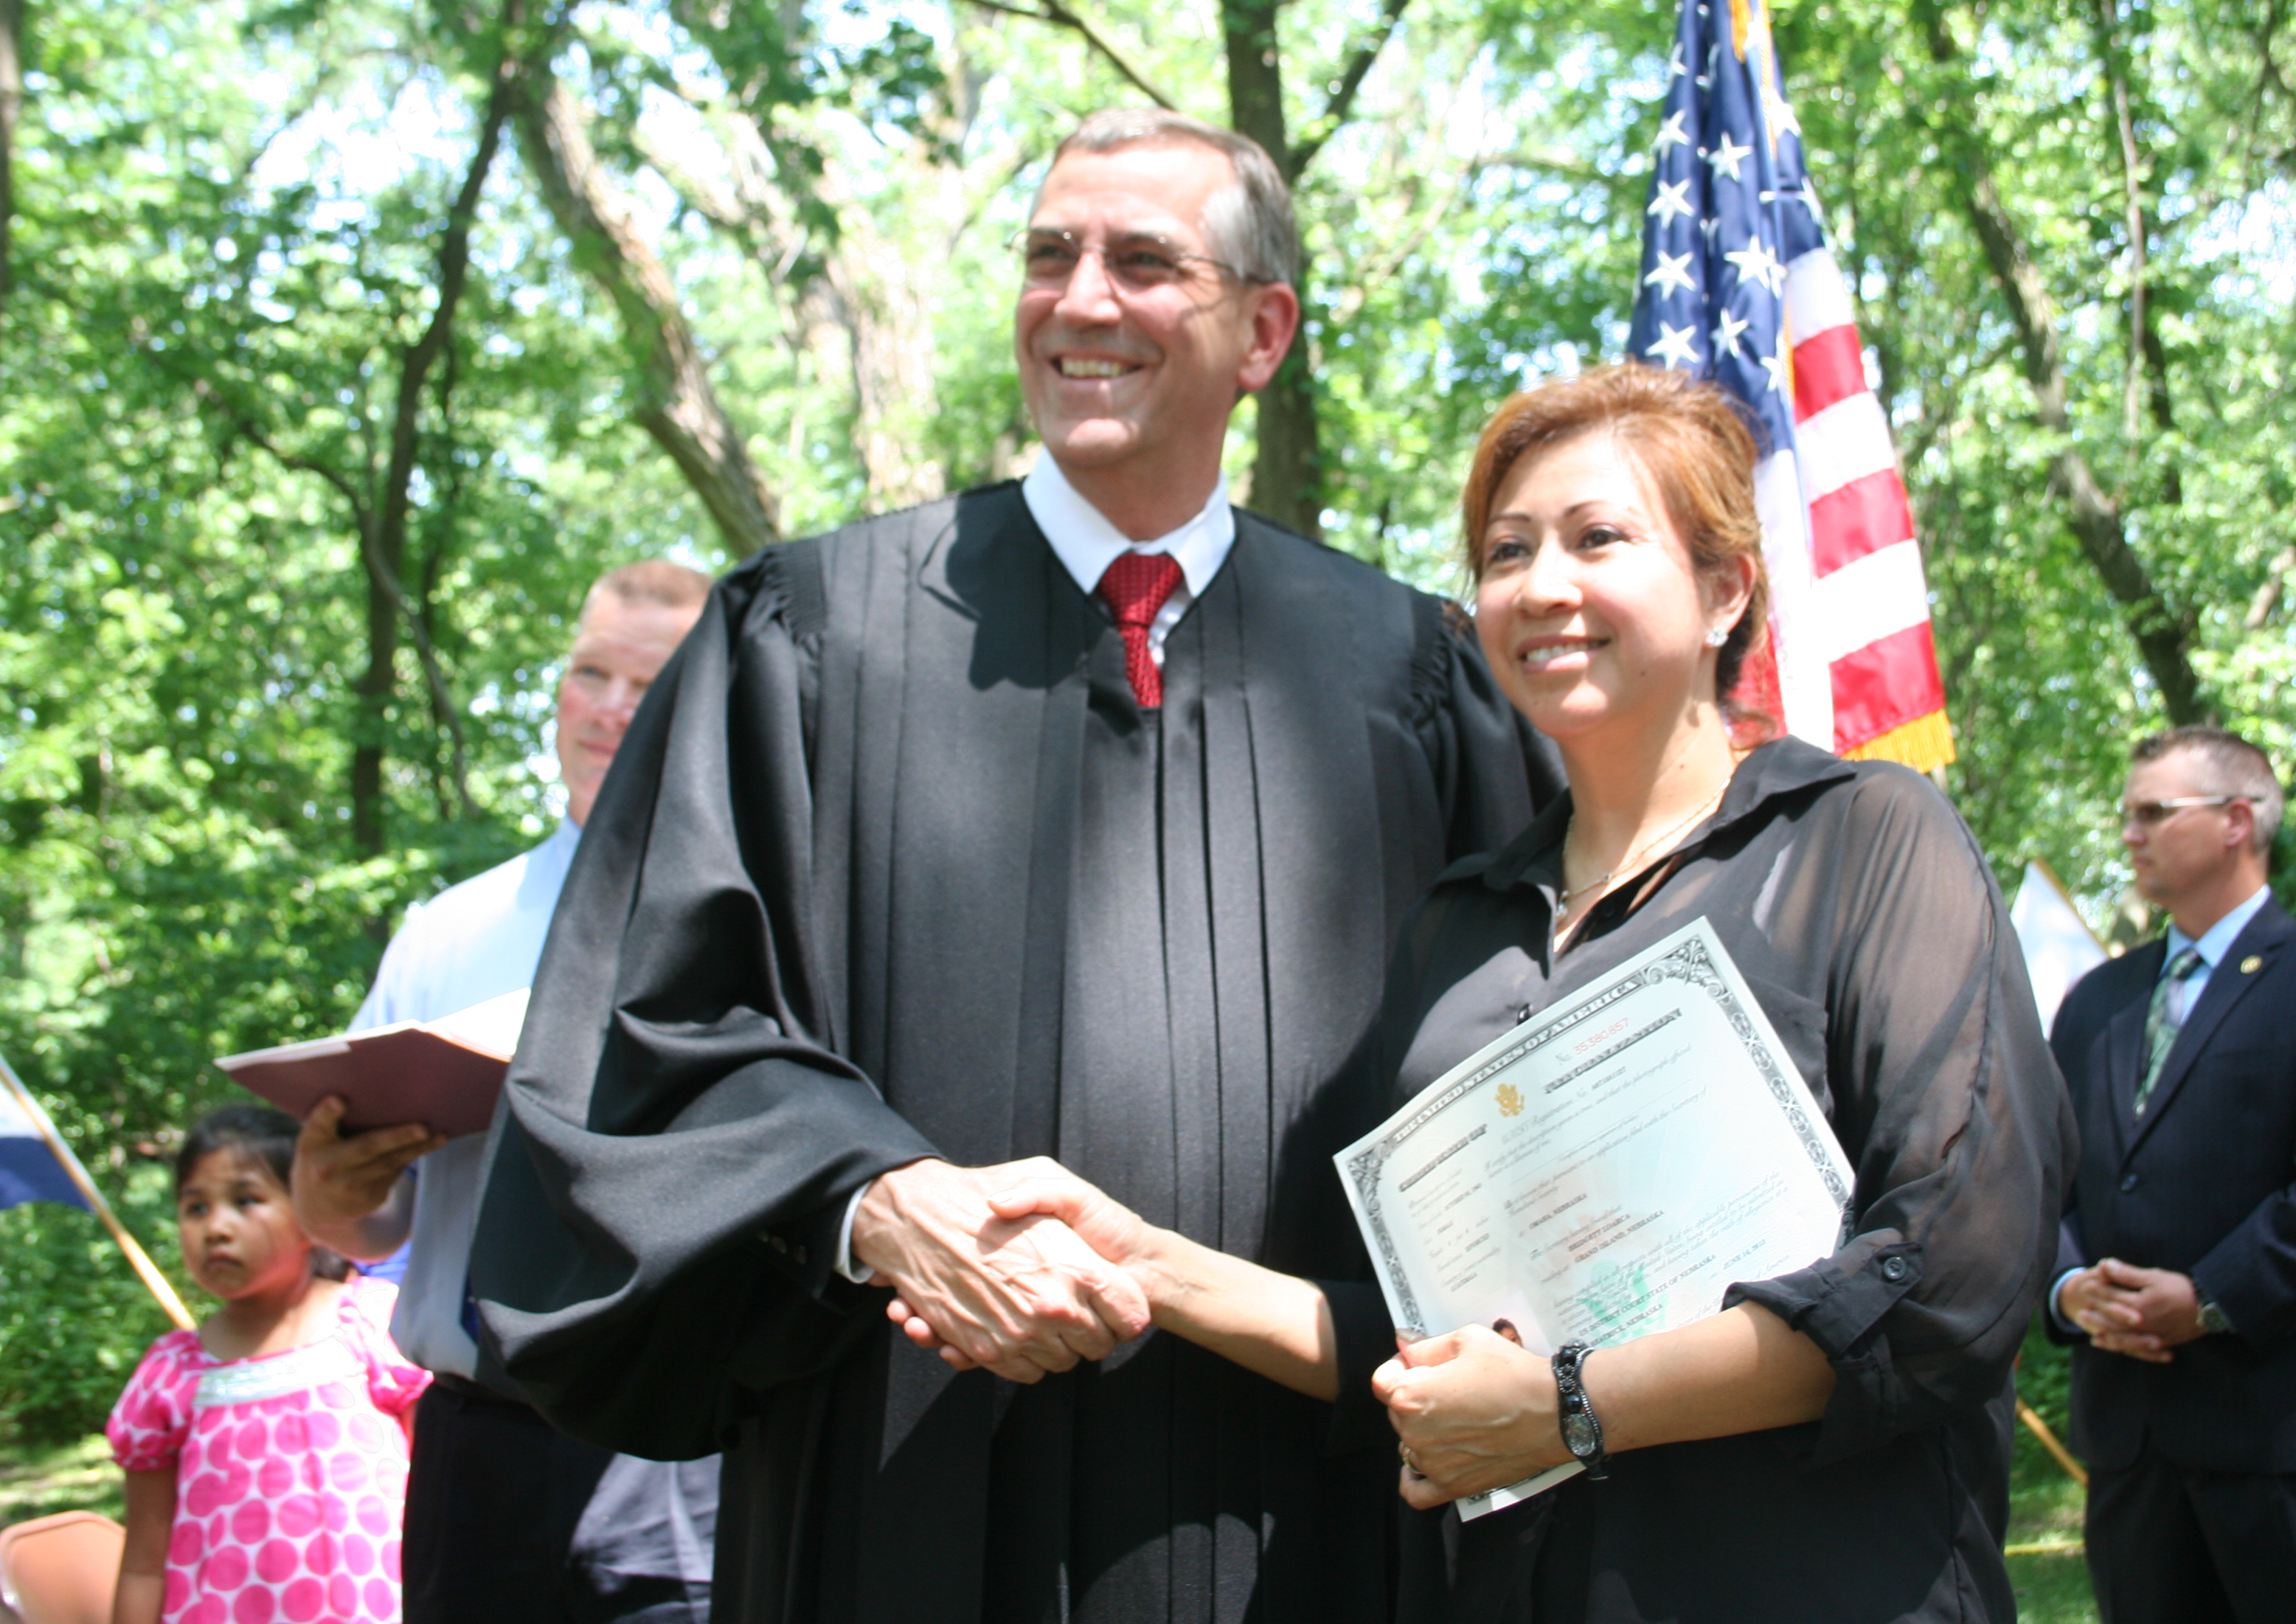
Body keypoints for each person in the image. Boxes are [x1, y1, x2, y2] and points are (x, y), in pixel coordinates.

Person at [465, 108, 1558, 1624]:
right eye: (1050, 256)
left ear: (1264, 333)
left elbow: (1522, 1052)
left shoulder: (1411, 676)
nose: (1080, 299)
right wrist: (866, 1198)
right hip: (892, 1485)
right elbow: (646, 1029)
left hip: (1295, 1509)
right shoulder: (811, 637)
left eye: (1142, 260)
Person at [968, 362, 2077, 1622]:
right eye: (1506, 551)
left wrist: (1570, 1403)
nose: (1542, 584)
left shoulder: (1866, 837)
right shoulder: (1457, 921)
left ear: (1724, 589)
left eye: (1599, 537)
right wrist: (1149, 1260)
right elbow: (1415, 1333)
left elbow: (1951, 1275)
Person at [289, 561, 721, 1624]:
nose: (608, 711)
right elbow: (359, 1222)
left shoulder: (762, 932)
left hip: (682, 1451)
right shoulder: (449, 931)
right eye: (588, 676)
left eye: (646, 684)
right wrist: (326, 1187)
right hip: (476, 1450)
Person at [2047, 726, 2296, 1624]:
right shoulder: (2098, 1001)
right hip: (2134, 1454)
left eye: (2153, 813)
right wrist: (2068, 1288)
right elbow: (2047, 1179)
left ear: (2236, 821)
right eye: (2126, 814)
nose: (2128, 834)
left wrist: (2209, 1297)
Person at [108, 1105, 429, 1624]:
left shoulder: (375, 1325)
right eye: (195, 1208)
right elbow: (144, 1564)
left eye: (246, 1201)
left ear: (311, 1209)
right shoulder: (170, 1374)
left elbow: (444, 1499)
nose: (216, 1227)